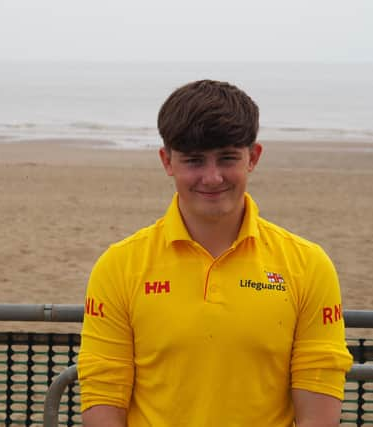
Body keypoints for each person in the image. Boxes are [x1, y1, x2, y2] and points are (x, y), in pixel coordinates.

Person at [77, 80, 353, 427]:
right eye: (194, 161)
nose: (212, 177)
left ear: (253, 157)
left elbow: (319, 404)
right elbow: (103, 396)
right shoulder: (118, 266)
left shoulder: (308, 265)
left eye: (227, 158)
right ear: (167, 161)